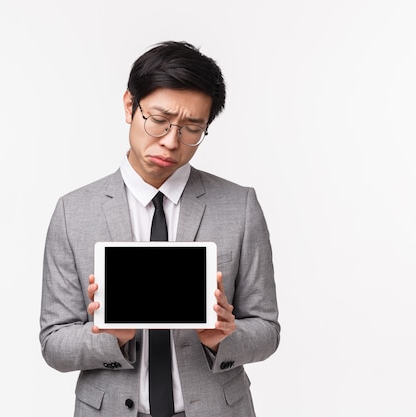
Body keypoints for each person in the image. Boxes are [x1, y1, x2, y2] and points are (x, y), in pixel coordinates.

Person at [39, 41, 280, 417]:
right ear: (129, 106)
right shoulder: (74, 211)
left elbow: (267, 330)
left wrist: (225, 338)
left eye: (191, 129)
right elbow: (54, 343)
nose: (171, 141)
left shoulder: (240, 206)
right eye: (159, 120)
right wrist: (110, 336)